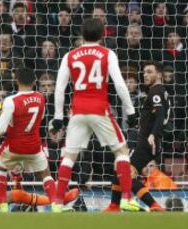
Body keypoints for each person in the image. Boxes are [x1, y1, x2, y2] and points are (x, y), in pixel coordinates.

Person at [50, 18, 137, 211]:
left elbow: (59, 88)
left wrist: (57, 116)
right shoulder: (108, 53)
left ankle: (57, 202)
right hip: (100, 109)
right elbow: (120, 85)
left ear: (82, 34)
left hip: (77, 111)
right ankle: (127, 198)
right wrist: (130, 111)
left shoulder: (69, 55)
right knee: (121, 152)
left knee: (69, 156)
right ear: (103, 34)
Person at [0, 68, 78, 213]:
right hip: (34, 146)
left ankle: (2, 206)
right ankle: (56, 205)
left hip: (14, 146)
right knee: (45, 175)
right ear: (34, 82)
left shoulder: (10, 101)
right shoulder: (40, 98)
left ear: (16, 81)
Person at [104, 61, 170, 212]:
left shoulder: (155, 92)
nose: (145, 75)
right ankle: (114, 205)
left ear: (159, 74)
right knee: (119, 167)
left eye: (149, 72)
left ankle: (153, 205)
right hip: (147, 140)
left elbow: (160, 116)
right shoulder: (159, 91)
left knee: (125, 171)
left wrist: (152, 134)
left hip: (146, 141)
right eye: (145, 72)